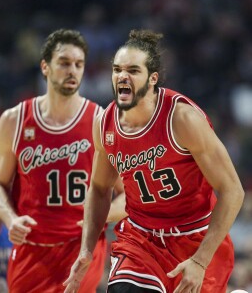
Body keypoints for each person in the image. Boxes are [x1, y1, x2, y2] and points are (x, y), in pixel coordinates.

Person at [63, 29, 245, 293]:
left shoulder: (182, 119)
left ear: (152, 79)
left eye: (133, 70)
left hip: (195, 237)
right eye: (117, 69)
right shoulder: (104, 124)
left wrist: (200, 260)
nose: (122, 76)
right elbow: (100, 189)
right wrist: (86, 250)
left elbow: (233, 191)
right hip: (141, 239)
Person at [0, 29, 125, 293]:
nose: (72, 70)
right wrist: (10, 220)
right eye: (64, 63)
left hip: (82, 247)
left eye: (79, 64)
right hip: (32, 248)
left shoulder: (101, 121)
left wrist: (98, 215)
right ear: (45, 67)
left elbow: (129, 196)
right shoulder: (14, 120)